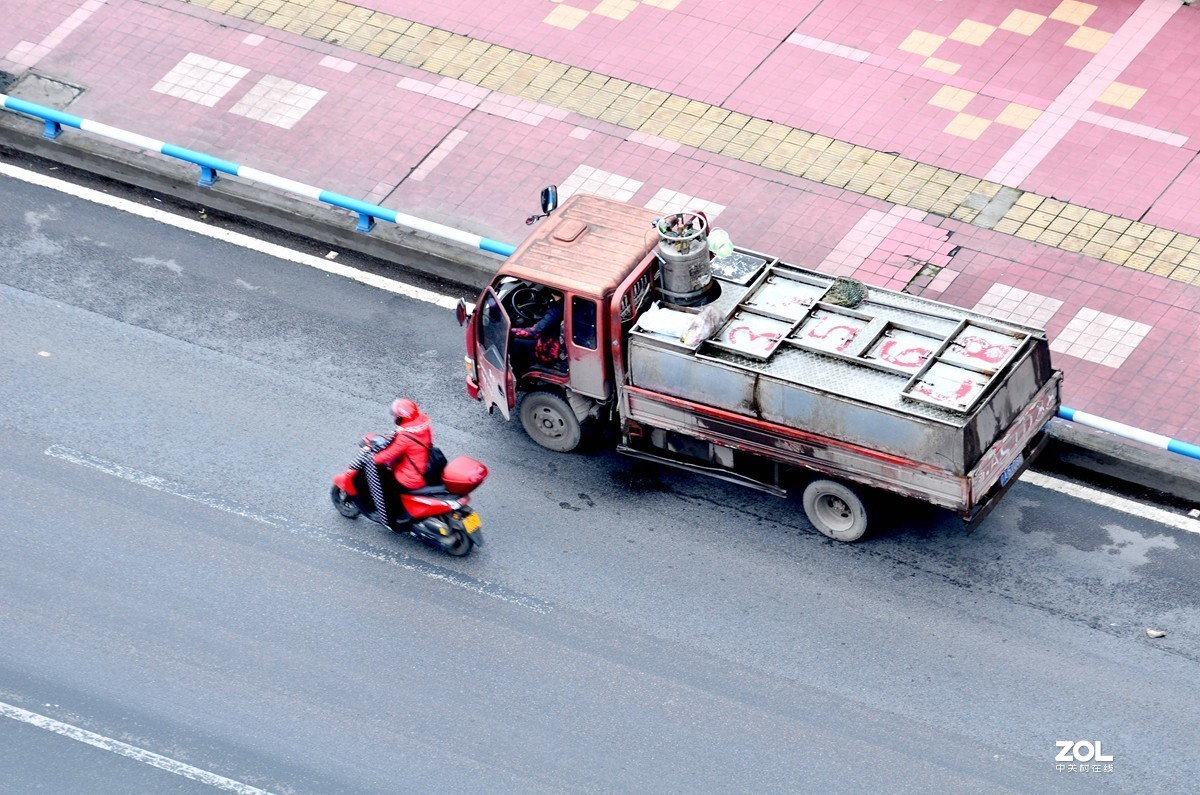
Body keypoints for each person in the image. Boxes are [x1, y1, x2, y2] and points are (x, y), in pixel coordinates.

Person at [372, 398, 433, 525]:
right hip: (422, 466)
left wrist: (374, 459)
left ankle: (391, 517)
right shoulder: (422, 427)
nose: (395, 418)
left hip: (410, 477)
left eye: (397, 416)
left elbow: (389, 454)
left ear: (402, 417)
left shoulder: (405, 437)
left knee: (386, 487)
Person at [511, 292, 565, 373]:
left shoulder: (556, 309)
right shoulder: (567, 304)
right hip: (557, 340)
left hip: (551, 349)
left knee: (516, 343)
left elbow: (534, 332)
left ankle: (518, 373)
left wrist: (509, 331)